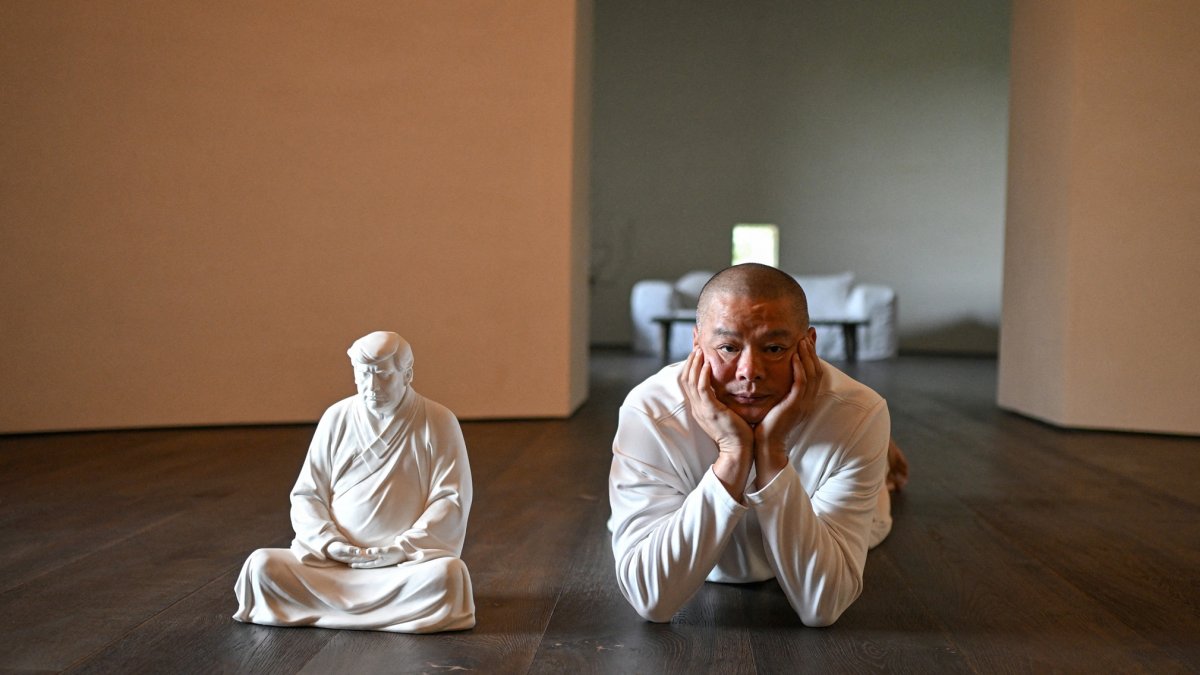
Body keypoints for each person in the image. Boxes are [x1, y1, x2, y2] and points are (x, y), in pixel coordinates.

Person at [608, 263, 907, 626]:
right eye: (728, 347)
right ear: (696, 344)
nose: (750, 371)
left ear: (809, 345)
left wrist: (772, 450)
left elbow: (823, 605)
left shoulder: (860, 413)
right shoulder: (649, 412)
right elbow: (650, 598)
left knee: (876, 481)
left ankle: (881, 462)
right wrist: (733, 455)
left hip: (846, 459)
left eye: (774, 348)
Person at [233, 331, 475, 633]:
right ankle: (386, 614)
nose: (372, 387)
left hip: (400, 568)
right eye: (363, 375)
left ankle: (337, 609)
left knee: (448, 575)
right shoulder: (336, 417)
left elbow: (451, 499)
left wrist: (401, 549)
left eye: (383, 375)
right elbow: (308, 494)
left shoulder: (437, 421)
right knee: (261, 566)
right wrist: (330, 542)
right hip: (335, 566)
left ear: (407, 374)